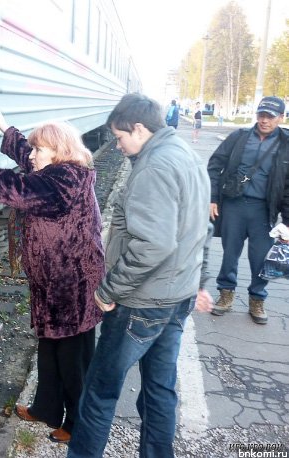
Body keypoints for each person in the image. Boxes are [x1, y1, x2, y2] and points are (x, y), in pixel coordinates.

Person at [0, 109, 105, 444]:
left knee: (74, 361)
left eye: (38, 149)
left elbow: (13, 188)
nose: (31, 155)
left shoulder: (64, 183)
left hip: (72, 287)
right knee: (50, 348)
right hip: (54, 283)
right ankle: (46, 408)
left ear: (58, 152)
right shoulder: (56, 170)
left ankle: (79, 425)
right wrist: (5, 128)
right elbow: (26, 158)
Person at [67, 93, 210, 458]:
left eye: (120, 136)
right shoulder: (187, 156)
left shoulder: (153, 168)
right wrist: (200, 281)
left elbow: (154, 245)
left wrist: (109, 290)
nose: (118, 145)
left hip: (142, 302)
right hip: (177, 297)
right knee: (160, 389)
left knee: (100, 392)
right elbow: (200, 229)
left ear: (140, 128)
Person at [208, 96, 289, 324]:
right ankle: (226, 294)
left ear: (281, 117)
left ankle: (257, 299)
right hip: (233, 205)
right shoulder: (239, 137)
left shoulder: (285, 144)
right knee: (229, 254)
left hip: (263, 211)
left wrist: (287, 222)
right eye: (261, 115)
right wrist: (212, 198)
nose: (264, 120)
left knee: (261, 258)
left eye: (270, 117)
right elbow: (214, 165)